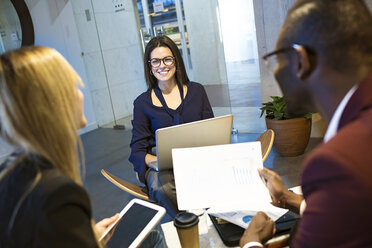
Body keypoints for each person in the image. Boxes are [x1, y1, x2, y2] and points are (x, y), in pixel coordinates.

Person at [0, 46, 166, 248]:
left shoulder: (9, 172)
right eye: (74, 87)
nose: (81, 95)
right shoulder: (57, 194)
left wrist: (86, 236)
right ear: (55, 103)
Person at [240, 0, 372, 247]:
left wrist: (252, 243)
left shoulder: (337, 163)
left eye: (276, 60)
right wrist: (290, 198)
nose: (275, 71)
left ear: (301, 61)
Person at [129, 35, 214, 217]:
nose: (162, 65)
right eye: (156, 61)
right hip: (163, 167)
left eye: (167, 59)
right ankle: (190, 222)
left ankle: (212, 221)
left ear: (176, 61)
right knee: (161, 188)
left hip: (196, 159)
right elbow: (137, 150)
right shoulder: (142, 103)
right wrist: (155, 162)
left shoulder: (197, 91)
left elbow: (212, 130)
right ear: (149, 67)